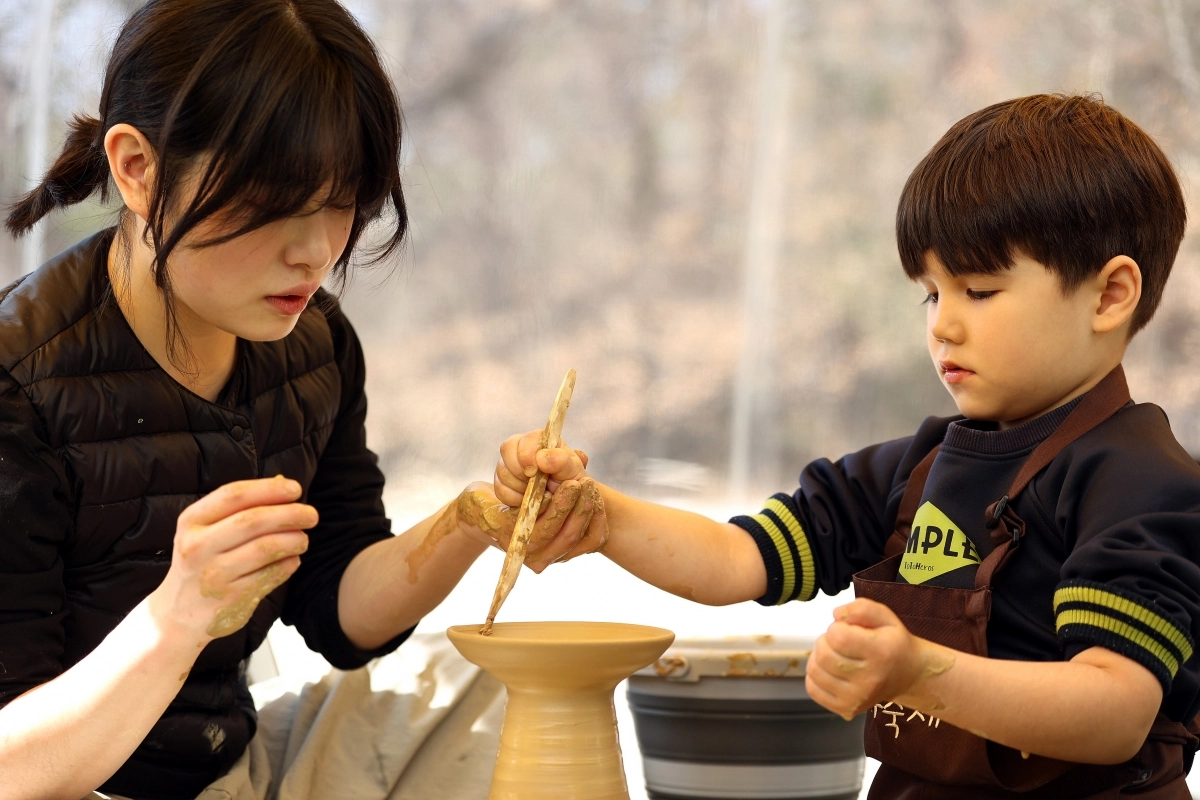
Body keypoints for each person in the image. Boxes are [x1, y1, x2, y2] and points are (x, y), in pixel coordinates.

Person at [495, 95, 1200, 798]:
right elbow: (733, 561)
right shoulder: (915, 470)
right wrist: (601, 516)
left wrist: (920, 671)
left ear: (1110, 296)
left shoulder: (1139, 483)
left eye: (979, 290)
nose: (944, 326)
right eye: (931, 294)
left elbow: (1114, 711)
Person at [0, 2, 601, 799]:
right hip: (69, 780)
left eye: (342, 202)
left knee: (491, 689)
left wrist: (471, 521)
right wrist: (176, 616)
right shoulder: (20, 382)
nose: (315, 252)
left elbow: (341, 610)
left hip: (232, 768)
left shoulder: (313, 345)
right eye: (274, 205)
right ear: (137, 169)